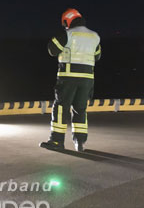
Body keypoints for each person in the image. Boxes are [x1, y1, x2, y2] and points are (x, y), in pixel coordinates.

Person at [40, 8, 102, 152]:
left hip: (68, 78)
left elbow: (52, 50)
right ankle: (80, 143)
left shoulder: (68, 34)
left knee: (61, 108)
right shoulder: (94, 36)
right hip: (87, 79)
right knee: (80, 109)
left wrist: (59, 36)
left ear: (68, 20)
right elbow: (97, 56)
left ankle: (57, 141)